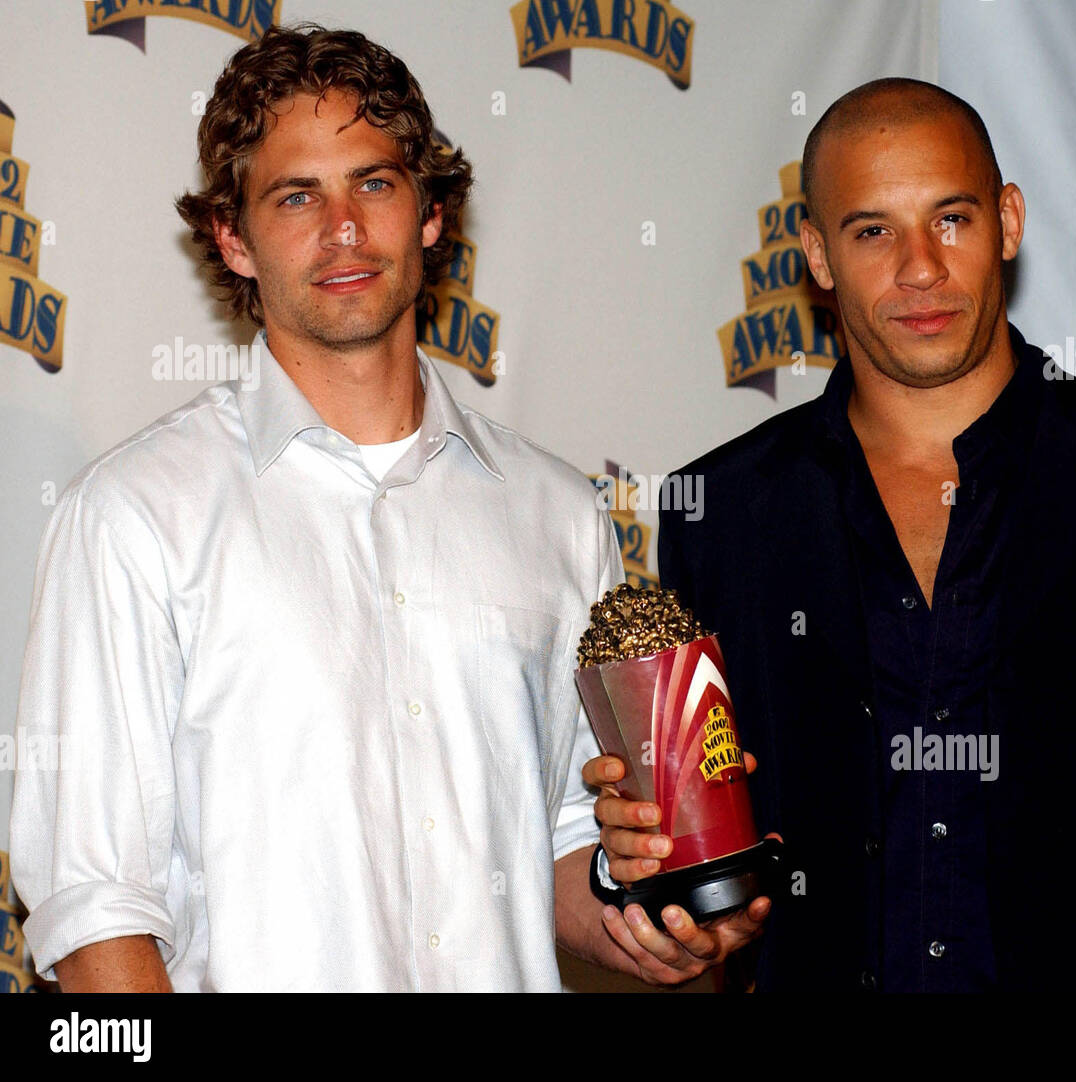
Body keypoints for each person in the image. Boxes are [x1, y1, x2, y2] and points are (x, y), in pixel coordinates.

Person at [9, 23, 764, 992]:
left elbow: (566, 849)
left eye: (373, 182)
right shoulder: (132, 517)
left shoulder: (557, 513)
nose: (344, 229)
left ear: (431, 213)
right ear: (232, 238)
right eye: (296, 196)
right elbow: (96, 911)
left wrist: (653, 919)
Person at [586, 77, 1076, 992]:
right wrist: (644, 864)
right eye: (873, 230)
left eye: (951, 218)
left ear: (1007, 221)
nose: (920, 268)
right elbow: (715, 853)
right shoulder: (720, 510)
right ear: (816, 252)